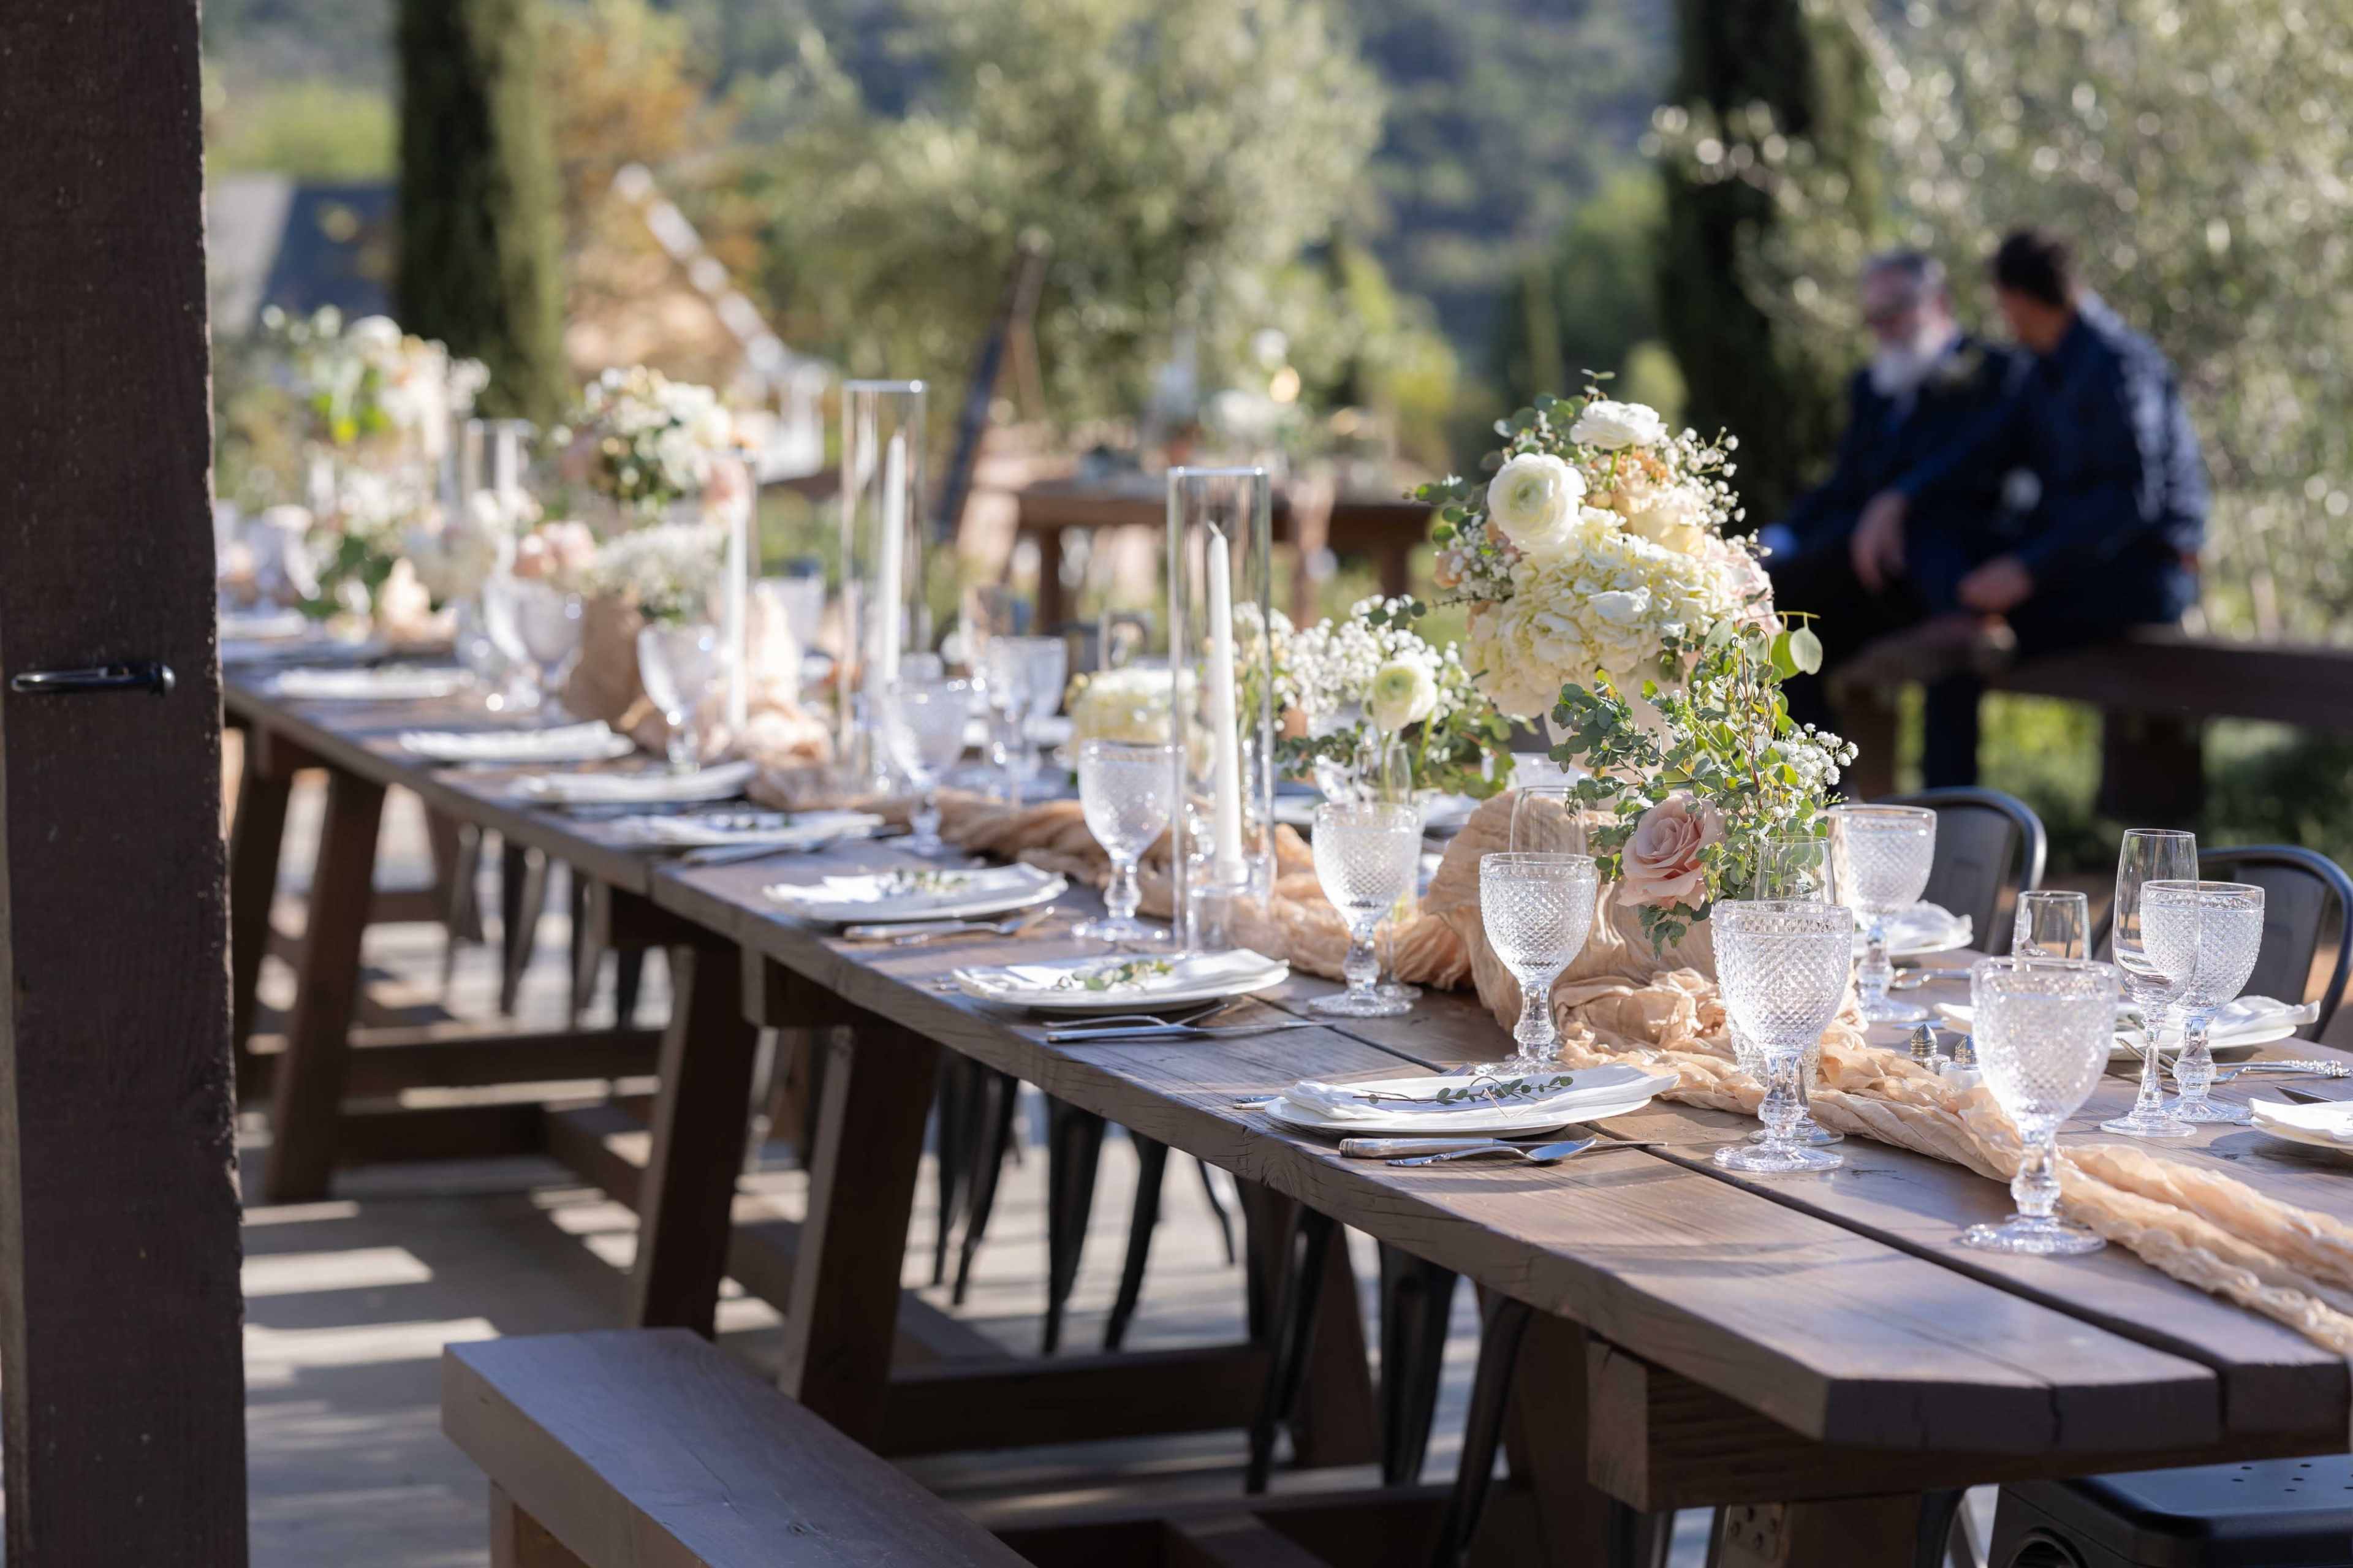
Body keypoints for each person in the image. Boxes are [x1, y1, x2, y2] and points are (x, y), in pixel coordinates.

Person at [1856, 228, 2207, 784]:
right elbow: (1983, 449)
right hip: (2069, 566)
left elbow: (2131, 501)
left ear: (2017, 298)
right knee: (1943, 556)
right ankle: (1951, 821)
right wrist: (1898, 499)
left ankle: (1955, 826)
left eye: (2001, 302)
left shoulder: (2120, 365)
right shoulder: (2041, 369)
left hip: (2144, 573)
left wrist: (2027, 569)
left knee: (1960, 647)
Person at [1760, 251, 2024, 751]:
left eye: (1897, 309)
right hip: (1875, 573)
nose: (1884, 327)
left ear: (1940, 302)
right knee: (1773, 618)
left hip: (1957, 576)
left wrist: (1899, 500)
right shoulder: (1871, 386)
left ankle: (1952, 818)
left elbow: (1980, 462)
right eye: (1873, 316)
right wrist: (1782, 537)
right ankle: (1815, 794)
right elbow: (1845, 484)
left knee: (1947, 680)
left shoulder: (1992, 371)